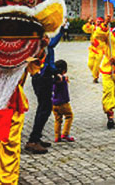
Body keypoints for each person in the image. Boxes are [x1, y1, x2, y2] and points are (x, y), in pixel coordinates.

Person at [26, 26, 63, 154]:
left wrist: (55, 73)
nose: (47, 38)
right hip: (40, 77)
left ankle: (37, 137)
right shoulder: (37, 45)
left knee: (44, 109)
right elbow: (50, 48)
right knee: (44, 109)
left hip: (46, 76)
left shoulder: (44, 44)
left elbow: (50, 59)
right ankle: (33, 140)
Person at [51, 59, 74, 143]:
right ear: (64, 70)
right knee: (69, 116)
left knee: (58, 119)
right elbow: (63, 80)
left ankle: (57, 136)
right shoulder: (63, 79)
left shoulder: (52, 80)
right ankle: (65, 133)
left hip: (54, 103)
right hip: (63, 103)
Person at [83, 18, 104, 83]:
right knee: (90, 64)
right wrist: (89, 22)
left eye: (101, 22)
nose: (99, 23)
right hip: (92, 49)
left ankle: (95, 77)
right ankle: (95, 74)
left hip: (100, 50)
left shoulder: (104, 29)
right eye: (98, 21)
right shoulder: (93, 27)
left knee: (96, 65)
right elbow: (85, 29)